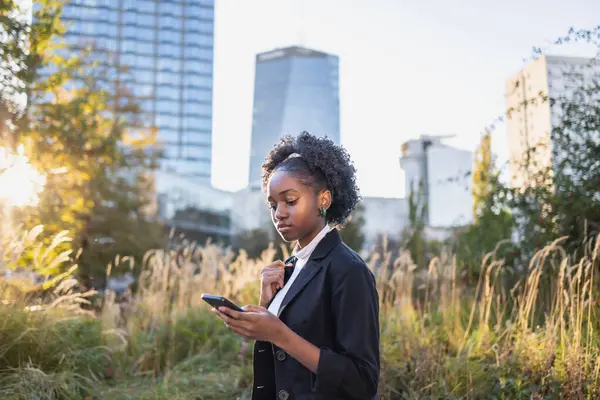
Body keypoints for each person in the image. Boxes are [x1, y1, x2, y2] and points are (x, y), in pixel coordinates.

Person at [213, 132, 380, 399]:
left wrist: (279, 333)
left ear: (323, 200)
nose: (279, 213)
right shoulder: (290, 268)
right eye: (272, 205)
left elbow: (363, 381)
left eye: (290, 201)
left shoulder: (349, 270)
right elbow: (283, 355)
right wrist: (263, 310)